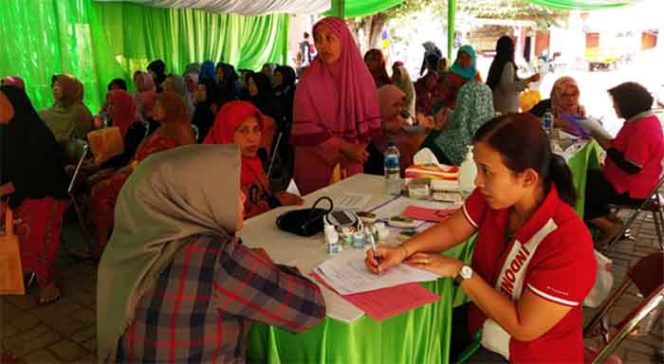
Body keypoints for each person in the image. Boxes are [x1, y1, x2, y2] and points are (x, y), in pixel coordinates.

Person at [366, 113, 596, 363]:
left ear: (528, 178)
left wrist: (461, 271)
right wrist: (402, 250)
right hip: (485, 324)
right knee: (412, 341)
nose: (477, 180)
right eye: (478, 168)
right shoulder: (497, 199)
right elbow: (454, 229)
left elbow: (523, 327)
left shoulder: (568, 243)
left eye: (486, 171)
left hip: (526, 354)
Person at [97, 144, 325, 362]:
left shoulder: (135, 248)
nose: (243, 196)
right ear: (195, 198)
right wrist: (267, 265)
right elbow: (310, 309)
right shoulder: (218, 258)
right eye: (227, 190)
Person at [89, 92, 195, 254]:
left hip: (152, 181)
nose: (154, 109)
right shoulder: (164, 128)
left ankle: (105, 245)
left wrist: (126, 169)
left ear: (170, 109)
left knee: (100, 192)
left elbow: (153, 163)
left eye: (158, 106)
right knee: (99, 184)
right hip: (142, 173)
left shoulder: (177, 131)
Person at [292, 17, 381, 195]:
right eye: (318, 39)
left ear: (344, 40)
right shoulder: (308, 81)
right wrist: (344, 147)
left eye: (330, 38)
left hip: (352, 163)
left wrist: (356, 148)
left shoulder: (362, 79)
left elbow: (368, 122)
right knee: (318, 215)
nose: (323, 45)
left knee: (352, 213)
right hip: (316, 167)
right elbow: (307, 129)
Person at [0, 85, 69, 304]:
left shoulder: (36, 135)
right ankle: (9, 268)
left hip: (44, 192)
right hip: (17, 191)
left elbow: (34, 176)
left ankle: (47, 282)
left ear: (16, 105)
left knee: (29, 225)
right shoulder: (5, 133)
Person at [584, 82, 664, 245]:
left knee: (578, 191)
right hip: (628, 181)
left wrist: (604, 144)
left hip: (632, 189)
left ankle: (609, 227)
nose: (614, 107)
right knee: (587, 177)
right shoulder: (641, 120)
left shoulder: (644, 129)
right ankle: (609, 217)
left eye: (616, 104)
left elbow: (631, 167)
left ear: (628, 105)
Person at [204, 101, 303, 218]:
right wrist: (274, 203)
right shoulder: (215, 173)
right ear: (226, 133)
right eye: (243, 131)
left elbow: (260, 198)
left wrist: (276, 198)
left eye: (256, 129)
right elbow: (232, 222)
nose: (252, 138)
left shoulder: (252, 162)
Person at [421, 81, 494, 166]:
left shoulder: (448, 142)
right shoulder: (496, 142)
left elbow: (421, 160)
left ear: (460, 105)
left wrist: (437, 128)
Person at [365, 85, 426, 176]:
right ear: (383, 104)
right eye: (395, 105)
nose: (399, 109)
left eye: (401, 105)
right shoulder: (369, 128)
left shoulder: (403, 125)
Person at [486, 36, 540, 114]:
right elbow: (507, 86)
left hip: (499, 105)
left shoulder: (497, 63)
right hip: (506, 108)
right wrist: (529, 80)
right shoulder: (508, 65)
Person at [40, 74, 94, 145]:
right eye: (54, 85)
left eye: (59, 85)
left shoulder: (80, 112)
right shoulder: (55, 107)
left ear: (70, 88)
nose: (55, 88)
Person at [435, 45, 482, 110]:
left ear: (473, 59)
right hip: (454, 111)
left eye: (468, 58)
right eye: (462, 58)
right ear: (457, 59)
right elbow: (442, 95)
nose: (465, 61)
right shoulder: (452, 75)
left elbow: (481, 94)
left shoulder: (476, 75)